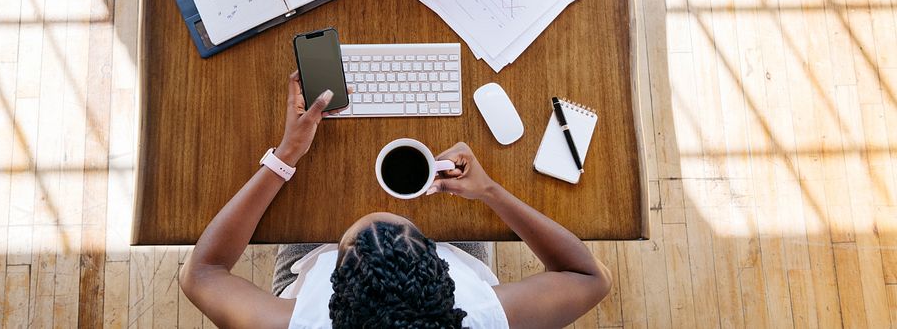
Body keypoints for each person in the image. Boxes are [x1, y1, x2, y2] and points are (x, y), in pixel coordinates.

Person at [179, 72, 613, 328]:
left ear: (332, 299)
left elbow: (202, 272)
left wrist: (286, 155)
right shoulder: (480, 312)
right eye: (420, 238)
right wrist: (489, 191)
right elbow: (589, 277)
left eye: (347, 248)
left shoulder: (299, 322)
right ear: (446, 274)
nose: (375, 212)